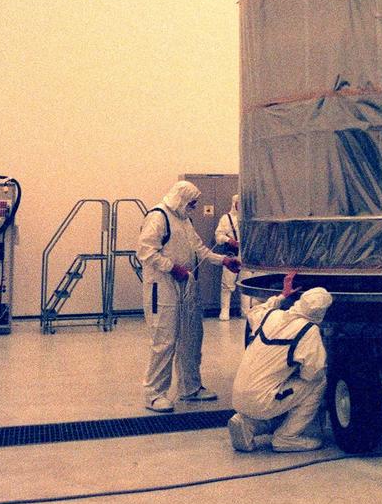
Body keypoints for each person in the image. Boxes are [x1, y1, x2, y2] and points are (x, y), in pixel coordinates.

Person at [137, 180, 230, 412]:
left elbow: (200, 249)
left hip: (186, 285)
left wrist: (224, 260)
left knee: (191, 337)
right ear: (181, 199)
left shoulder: (184, 220)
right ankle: (154, 394)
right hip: (163, 286)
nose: (195, 207)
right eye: (192, 203)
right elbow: (146, 251)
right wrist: (172, 268)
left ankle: (190, 387)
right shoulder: (158, 217)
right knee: (164, 341)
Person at [227, 282, 333, 453]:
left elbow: (254, 311)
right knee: (318, 383)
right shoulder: (308, 330)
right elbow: (313, 373)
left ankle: (247, 424)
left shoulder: (273, 315)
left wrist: (282, 296)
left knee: (277, 390)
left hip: (238, 396)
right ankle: (287, 437)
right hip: (262, 401)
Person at [214, 192, 240, 321]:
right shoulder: (226, 218)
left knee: (245, 282)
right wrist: (228, 240)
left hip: (246, 255)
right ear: (234, 204)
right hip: (232, 254)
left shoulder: (249, 219)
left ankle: (246, 310)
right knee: (227, 284)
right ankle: (225, 311)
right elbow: (218, 236)